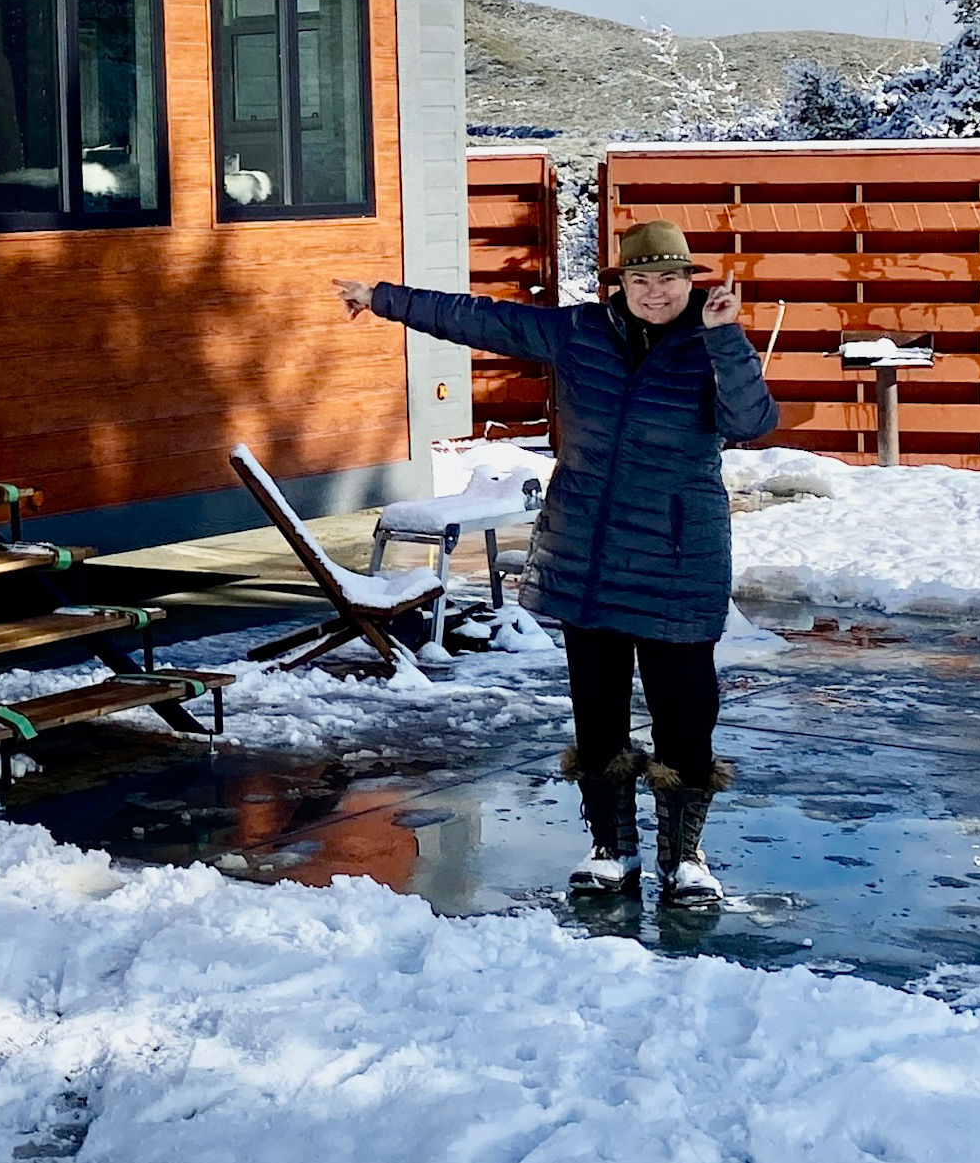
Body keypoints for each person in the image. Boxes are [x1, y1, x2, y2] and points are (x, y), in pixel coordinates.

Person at [334, 221, 779, 901]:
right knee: (596, 712)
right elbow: (477, 319)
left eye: (668, 279)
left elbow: (751, 421)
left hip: (679, 557)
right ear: (620, 284)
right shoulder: (577, 332)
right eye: (640, 279)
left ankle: (685, 856)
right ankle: (611, 848)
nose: (654, 293)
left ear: (691, 283)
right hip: (588, 553)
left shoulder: (708, 340)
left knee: (685, 715)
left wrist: (725, 337)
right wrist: (381, 297)